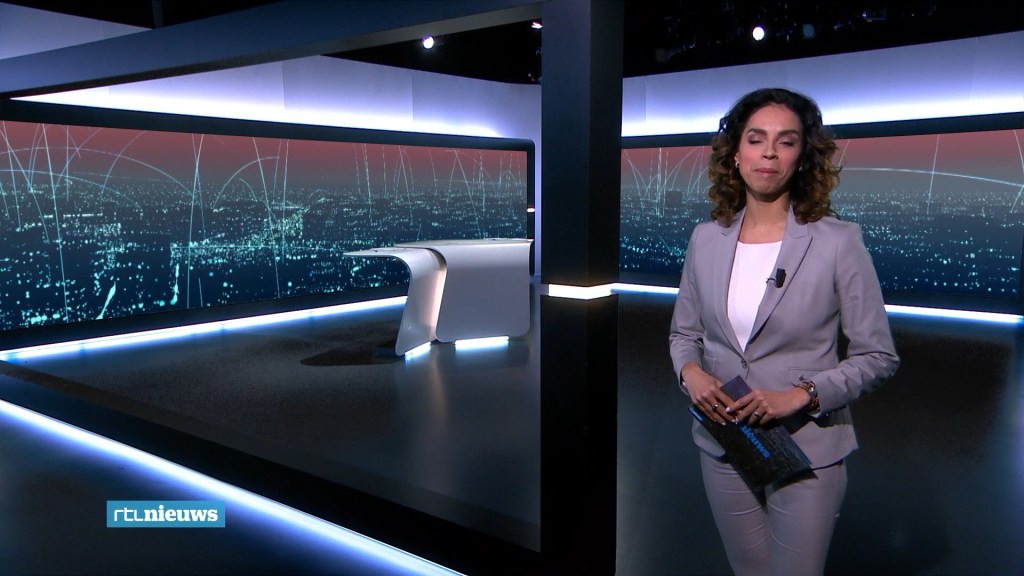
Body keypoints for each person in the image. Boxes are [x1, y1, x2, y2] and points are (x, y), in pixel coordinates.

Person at [668, 87, 899, 576]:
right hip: (725, 440)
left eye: (786, 141)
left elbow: (878, 355)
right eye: (756, 139)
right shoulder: (705, 239)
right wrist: (692, 374)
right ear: (735, 153)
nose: (769, 152)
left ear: (803, 156)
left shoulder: (838, 241)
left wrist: (802, 395)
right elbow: (683, 333)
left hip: (805, 448)